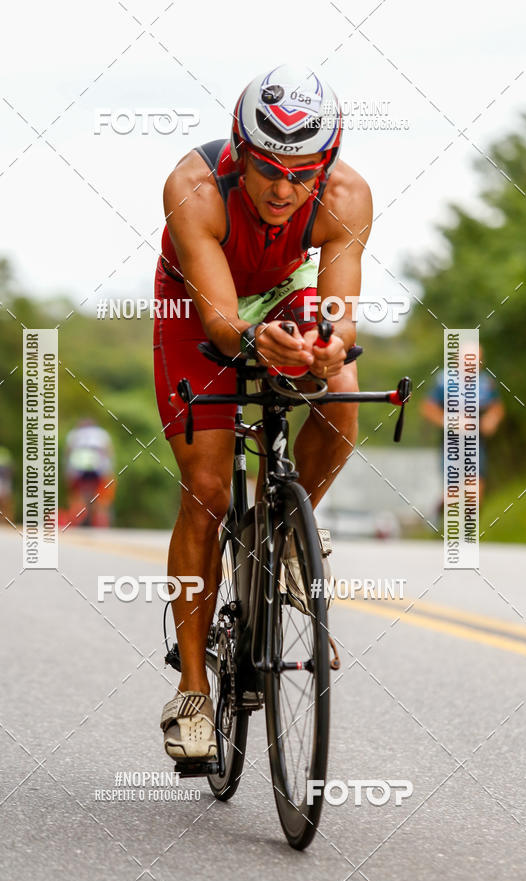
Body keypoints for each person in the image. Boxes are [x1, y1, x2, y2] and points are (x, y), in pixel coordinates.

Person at [154, 65, 372, 761]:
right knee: (208, 491)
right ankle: (192, 687)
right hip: (198, 307)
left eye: (303, 171)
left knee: (339, 399)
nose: (284, 190)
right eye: (269, 169)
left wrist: (329, 350)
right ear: (240, 154)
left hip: (284, 291)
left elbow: (337, 315)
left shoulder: (346, 196)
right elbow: (221, 322)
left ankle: (278, 537)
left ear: (327, 164)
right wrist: (253, 341)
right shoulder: (194, 188)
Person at [421, 347, 505, 503]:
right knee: (453, 491)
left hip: (476, 442)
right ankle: (444, 510)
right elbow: (427, 408)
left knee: (475, 490)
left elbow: (497, 407)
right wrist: (451, 421)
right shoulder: (444, 381)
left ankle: (470, 522)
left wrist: (491, 419)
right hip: (451, 442)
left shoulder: (486, 382)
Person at [64, 419, 115, 527]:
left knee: (79, 499)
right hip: (100, 470)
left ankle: (77, 522)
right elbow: (109, 452)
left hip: (78, 471)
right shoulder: (102, 434)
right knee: (102, 502)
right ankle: (101, 524)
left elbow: (68, 454)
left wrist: (68, 475)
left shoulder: (73, 435)